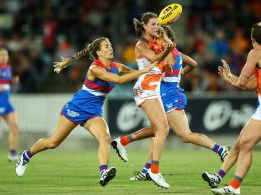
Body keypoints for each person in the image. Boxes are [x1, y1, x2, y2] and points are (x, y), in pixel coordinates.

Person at [15, 37, 158, 186]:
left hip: (93, 112)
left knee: (105, 138)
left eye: (110, 45)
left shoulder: (117, 66)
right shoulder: (94, 68)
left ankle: (103, 173)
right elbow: (120, 80)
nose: (111, 48)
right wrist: (145, 70)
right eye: (106, 46)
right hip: (76, 108)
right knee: (53, 143)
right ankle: (26, 155)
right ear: (98, 52)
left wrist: (155, 72)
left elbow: (137, 74)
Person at [111, 25, 230, 182]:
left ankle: (221, 150)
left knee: (185, 135)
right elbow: (193, 63)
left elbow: (161, 64)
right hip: (168, 93)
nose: (156, 40)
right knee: (157, 131)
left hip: (169, 95)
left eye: (159, 37)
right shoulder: (175, 53)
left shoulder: (167, 53)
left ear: (166, 39)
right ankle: (143, 164)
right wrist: (180, 73)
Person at [201, 20, 261, 195]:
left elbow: (242, 83)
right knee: (244, 144)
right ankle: (233, 186)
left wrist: (229, 77)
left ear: (253, 38)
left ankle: (227, 182)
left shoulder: (255, 53)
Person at [111, 12, 174, 189]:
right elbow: (154, 59)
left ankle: (122, 141)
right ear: (144, 26)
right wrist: (167, 46)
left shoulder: (160, 40)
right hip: (145, 87)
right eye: (153, 24)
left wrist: (166, 40)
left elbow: (169, 61)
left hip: (154, 88)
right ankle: (154, 170)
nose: (157, 27)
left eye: (158, 24)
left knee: (157, 130)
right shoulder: (141, 44)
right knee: (163, 128)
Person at [0, 47, 20, 162]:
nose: (4, 57)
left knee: (15, 128)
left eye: (6, 55)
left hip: (6, 102)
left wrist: (13, 81)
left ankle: (12, 154)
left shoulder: (7, 68)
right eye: (2, 55)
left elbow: (5, 83)